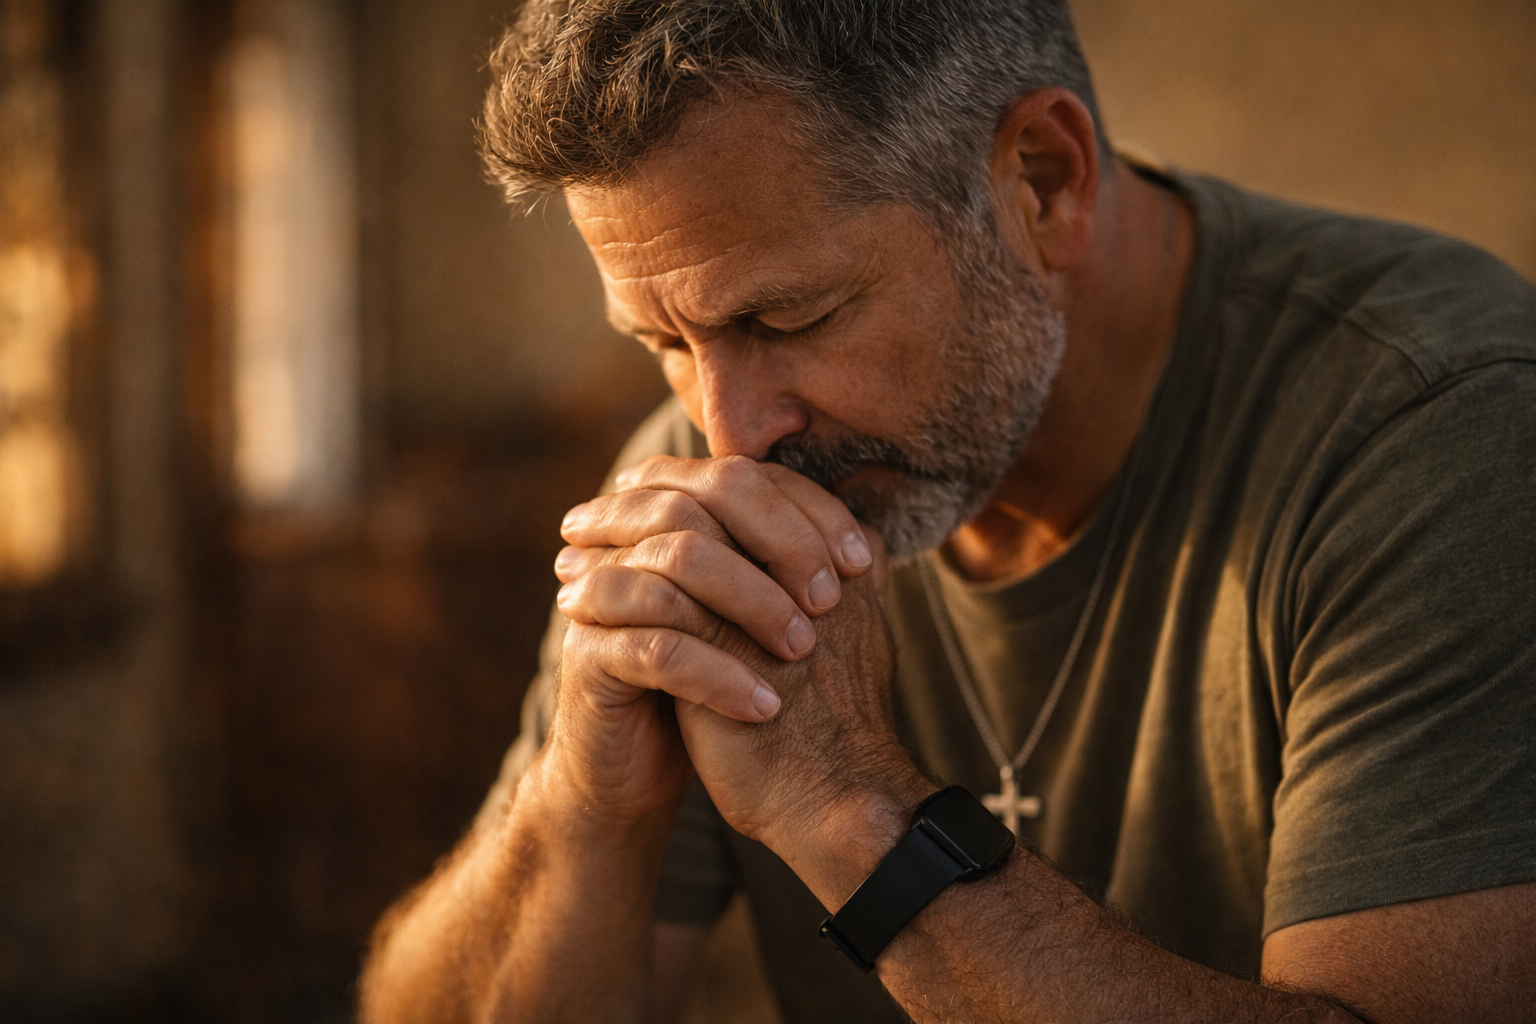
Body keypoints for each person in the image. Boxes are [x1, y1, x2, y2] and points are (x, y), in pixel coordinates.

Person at [358, 2, 1536, 1021]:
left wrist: (852, 808)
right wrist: (584, 801)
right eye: (664, 341)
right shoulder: (711, 487)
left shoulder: (1434, 430)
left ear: (1043, 181)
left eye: (789, 320)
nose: (727, 432)